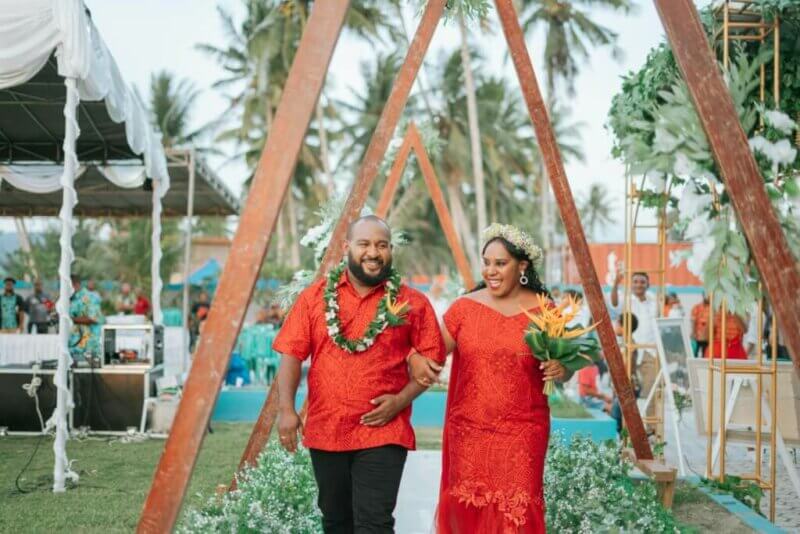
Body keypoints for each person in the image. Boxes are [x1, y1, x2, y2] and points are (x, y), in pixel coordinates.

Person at [274, 215, 445, 534]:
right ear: (346, 247)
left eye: (382, 245)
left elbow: (432, 360)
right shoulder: (314, 298)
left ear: (391, 251)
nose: (373, 252)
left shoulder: (412, 302)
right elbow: (291, 353)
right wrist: (286, 409)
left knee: (374, 524)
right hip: (327, 427)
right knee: (337, 522)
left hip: (383, 429)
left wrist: (400, 401)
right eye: (364, 243)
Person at [409, 223, 567, 533]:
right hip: (469, 431)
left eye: (500, 263)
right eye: (486, 263)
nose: (490, 271)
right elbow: (432, 353)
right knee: (469, 509)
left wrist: (562, 369)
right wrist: (413, 357)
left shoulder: (546, 311)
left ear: (522, 266)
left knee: (518, 514)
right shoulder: (464, 309)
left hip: (524, 432)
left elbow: (564, 364)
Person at [609, 271, 659, 429]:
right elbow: (614, 302)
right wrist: (616, 283)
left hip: (650, 352)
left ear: (647, 284)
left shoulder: (654, 301)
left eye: (642, 282)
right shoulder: (627, 300)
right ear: (631, 285)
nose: (639, 285)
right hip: (631, 349)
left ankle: (652, 431)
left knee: (651, 392)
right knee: (628, 392)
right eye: (636, 282)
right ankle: (626, 430)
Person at [69, 275, 104, 360]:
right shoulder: (73, 298)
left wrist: (68, 319)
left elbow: (92, 318)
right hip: (75, 345)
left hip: (87, 347)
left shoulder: (88, 297)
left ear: (75, 285)